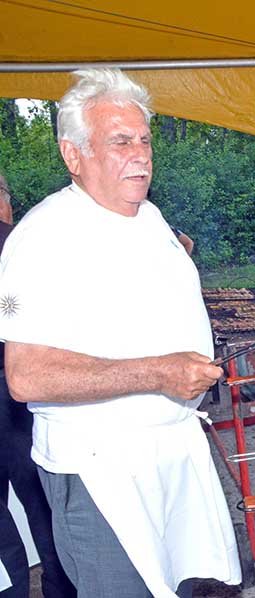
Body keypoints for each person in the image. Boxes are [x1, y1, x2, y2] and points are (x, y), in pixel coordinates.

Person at [0, 69, 241, 597]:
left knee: (192, 586)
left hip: (174, 452)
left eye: (144, 140)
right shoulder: (41, 239)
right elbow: (26, 376)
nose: (141, 154)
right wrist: (158, 373)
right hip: (101, 470)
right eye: (120, 141)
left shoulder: (149, 218)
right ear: (74, 155)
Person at [0, 175, 75, 598]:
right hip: (15, 400)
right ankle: (61, 589)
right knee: (43, 507)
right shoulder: (22, 243)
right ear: (4, 202)